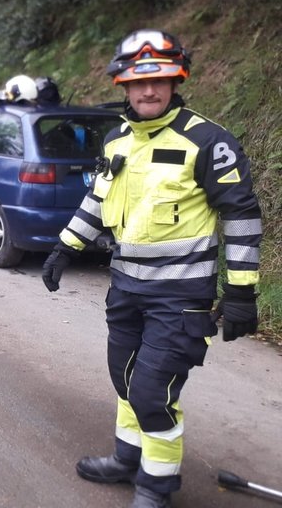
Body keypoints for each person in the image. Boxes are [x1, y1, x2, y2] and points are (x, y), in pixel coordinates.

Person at [41, 29, 261, 508]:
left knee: (151, 392)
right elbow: (99, 198)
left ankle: (156, 487)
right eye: (138, 83)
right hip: (125, 288)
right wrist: (64, 247)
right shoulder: (118, 137)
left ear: (176, 79)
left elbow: (241, 217)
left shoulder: (208, 141)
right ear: (122, 84)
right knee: (124, 379)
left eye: (160, 80)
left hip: (181, 298)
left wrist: (242, 292)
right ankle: (127, 459)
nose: (148, 91)